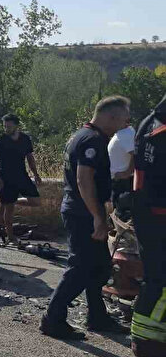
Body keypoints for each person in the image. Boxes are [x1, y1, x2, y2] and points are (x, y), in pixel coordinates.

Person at [41, 96, 132, 340]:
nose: (126, 123)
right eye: (124, 119)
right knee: (80, 266)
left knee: (99, 265)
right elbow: (83, 179)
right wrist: (97, 218)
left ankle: (97, 316)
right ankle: (53, 318)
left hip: (83, 210)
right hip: (83, 212)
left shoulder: (82, 135)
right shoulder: (92, 140)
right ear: (111, 117)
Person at [130, 93, 166, 357]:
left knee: (156, 276)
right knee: (159, 279)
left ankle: (147, 337)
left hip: (148, 212)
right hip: (157, 213)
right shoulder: (160, 130)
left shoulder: (149, 122)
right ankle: (145, 340)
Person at [0, 114, 43, 244]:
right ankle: (11, 236)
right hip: (6, 177)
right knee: (9, 211)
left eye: (9, 126)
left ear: (16, 126)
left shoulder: (25, 139)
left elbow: (30, 158)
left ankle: (13, 201)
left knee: (36, 201)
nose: (6, 129)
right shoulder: (0, 140)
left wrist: (36, 174)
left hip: (22, 175)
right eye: (5, 126)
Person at [108, 120, 135, 220]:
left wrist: (127, 173)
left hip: (123, 183)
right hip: (120, 182)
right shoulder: (125, 133)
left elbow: (135, 154)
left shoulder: (125, 134)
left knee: (122, 217)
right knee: (119, 216)